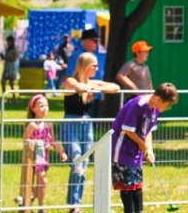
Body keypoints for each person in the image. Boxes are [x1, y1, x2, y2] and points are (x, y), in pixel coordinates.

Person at [62, 52, 121, 213]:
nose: (97, 68)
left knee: (85, 163)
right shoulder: (71, 80)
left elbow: (116, 87)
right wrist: (95, 87)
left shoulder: (92, 82)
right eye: (94, 65)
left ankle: (76, 205)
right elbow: (79, 87)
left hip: (86, 124)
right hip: (71, 123)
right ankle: (73, 204)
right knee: (76, 161)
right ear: (85, 66)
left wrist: (95, 86)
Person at [110, 83, 179, 213]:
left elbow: (148, 131)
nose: (168, 107)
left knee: (137, 185)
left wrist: (149, 150)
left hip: (136, 151)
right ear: (159, 99)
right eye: (168, 104)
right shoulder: (138, 105)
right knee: (127, 187)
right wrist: (142, 145)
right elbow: (128, 129)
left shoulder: (155, 109)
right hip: (122, 149)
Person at [22, 94, 68, 213]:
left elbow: (52, 141)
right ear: (33, 108)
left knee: (41, 182)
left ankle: (39, 206)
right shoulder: (32, 125)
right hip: (33, 157)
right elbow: (25, 142)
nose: (44, 109)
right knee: (37, 181)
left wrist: (61, 152)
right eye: (41, 106)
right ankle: (29, 203)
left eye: (46, 106)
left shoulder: (48, 124)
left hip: (43, 157)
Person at [69, 28, 104, 117]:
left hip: (96, 95)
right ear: (85, 41)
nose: (97, 44)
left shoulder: (99, 54)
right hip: (80, 98)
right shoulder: (77, 56)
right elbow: (69, 76)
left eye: (98, 41)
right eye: (95, 41)